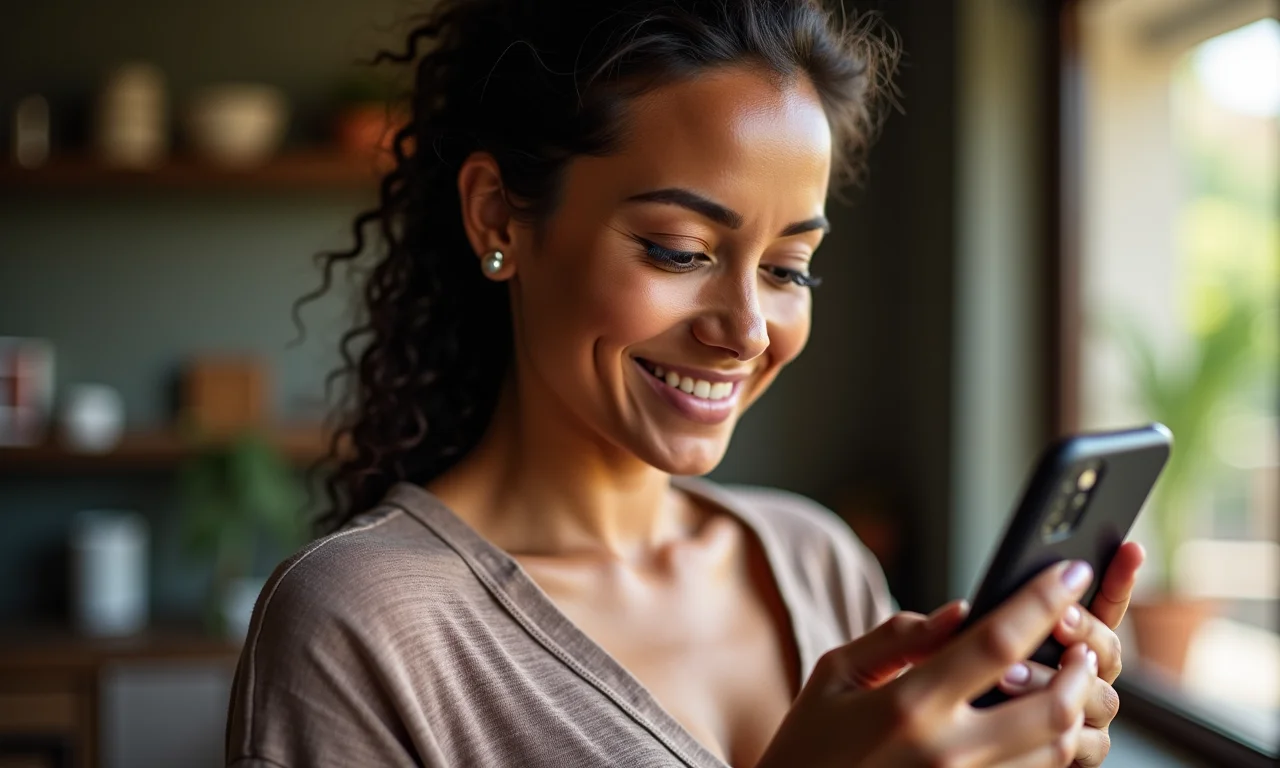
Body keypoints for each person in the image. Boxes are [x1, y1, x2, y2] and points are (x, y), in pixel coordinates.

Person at [225, 1, 1142, 766]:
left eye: (789, 268)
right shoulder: (361, 626)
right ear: (497, 213)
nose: (745, 329)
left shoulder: (818, 562)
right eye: (680, 251)